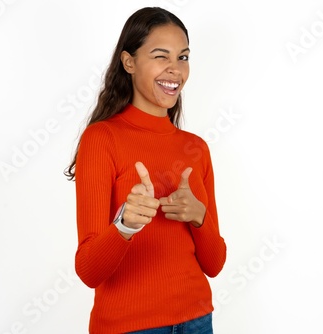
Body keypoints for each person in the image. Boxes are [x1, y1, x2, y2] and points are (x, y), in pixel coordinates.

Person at [64, 6, 227, 334]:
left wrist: (199, 216)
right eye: (160, 56)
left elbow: (215, 264)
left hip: (197, 320)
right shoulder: (102, 138)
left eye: (183, 57)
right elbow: (88, 271)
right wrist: (125, 225)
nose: (175, 70)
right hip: (130, 326)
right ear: (129, 62)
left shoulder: (196, 148)